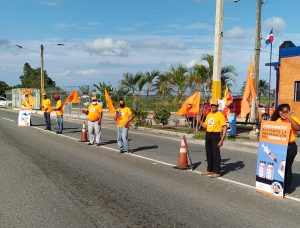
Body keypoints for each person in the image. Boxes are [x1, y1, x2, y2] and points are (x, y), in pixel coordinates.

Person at [271, 104, 300, 195]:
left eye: (287, 111)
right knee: (279, 166)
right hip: (280, 146)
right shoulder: (278, 121)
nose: (286, 113)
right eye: (284, 112)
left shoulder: (294, 119)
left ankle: (286, 189)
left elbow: (297, 128)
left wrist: (289, 118)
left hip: (290, 147)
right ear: (280, 112)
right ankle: (278, 185)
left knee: (287, 167)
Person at [198, 98, 227, 178]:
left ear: (217, 106)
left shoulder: (220, 115)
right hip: (208, 135)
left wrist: (222, 140)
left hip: (215, 135)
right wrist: (200, 121)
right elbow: (205, 126)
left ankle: (217, 171)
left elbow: (224, 128)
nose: (213, 107)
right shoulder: (209, 115)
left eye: (214, 105)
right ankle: (209, 169)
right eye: (212, 105)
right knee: (209, 153)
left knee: (215, 154)